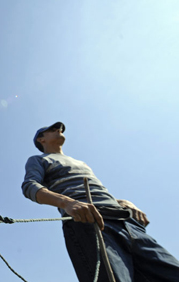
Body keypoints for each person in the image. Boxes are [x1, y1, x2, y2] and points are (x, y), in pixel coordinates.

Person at [21, 121, 179, 282]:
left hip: (128, 223)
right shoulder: (39, 160)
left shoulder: (82, 164)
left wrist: (123, 202)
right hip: (90, 220)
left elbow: (98, 191)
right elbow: (30, 186)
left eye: (60, 128)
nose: (59, 130)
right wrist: (67, 203)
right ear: (41, 139)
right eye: (53, 129)